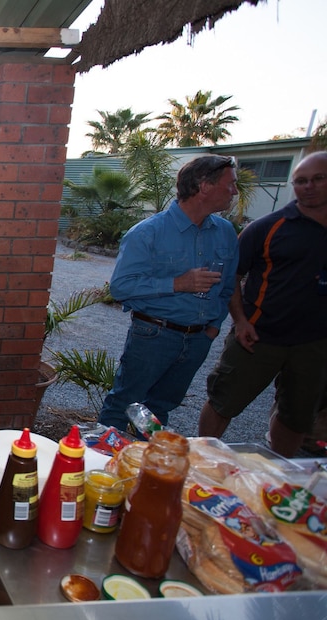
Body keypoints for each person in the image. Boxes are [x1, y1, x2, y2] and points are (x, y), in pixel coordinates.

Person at [97, 155, 240, 433]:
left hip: (199, 339)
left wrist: (212, 327)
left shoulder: (225, 232)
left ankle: (142, 466)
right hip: (155, 336)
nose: (234, 191)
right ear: (204, 186)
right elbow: (121, 287)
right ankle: (100, 466)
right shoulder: (148, 232)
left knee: (160, 408)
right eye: (230, 184)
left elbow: (228, 285)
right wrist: (178, 284)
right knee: (123, 403)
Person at [198, 151, 327, 457]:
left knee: (296, 413)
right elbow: (232, 277)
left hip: (315, 343)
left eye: (318, 179)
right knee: (223, 400)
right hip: (259, 335)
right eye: (300, 181)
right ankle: (202, 458)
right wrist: (240, 321)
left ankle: (281, 467)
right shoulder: (268, 228)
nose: (308, 186)